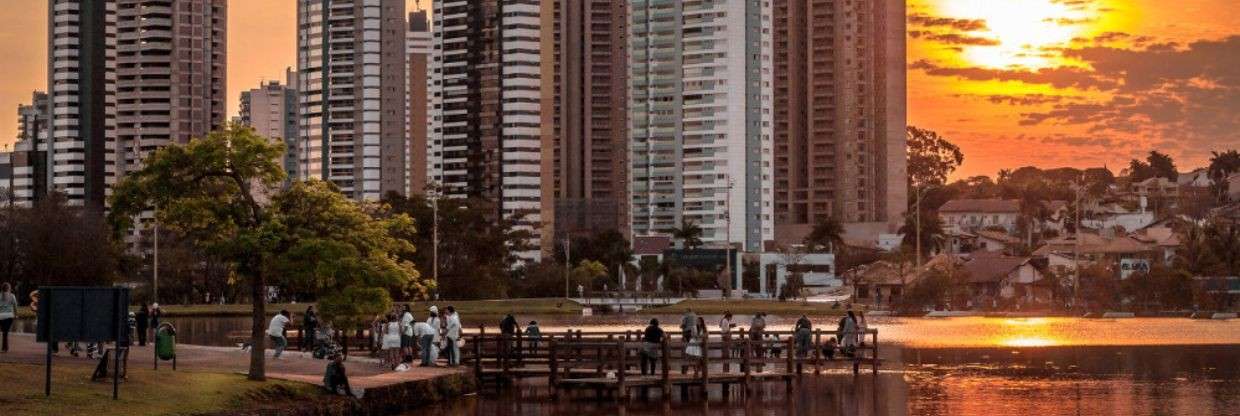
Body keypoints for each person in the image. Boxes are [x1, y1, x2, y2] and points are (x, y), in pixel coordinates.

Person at [0, 283, 16, 353]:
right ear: (9, 288)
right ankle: (5, 348)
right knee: (5, 333)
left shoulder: (0, 296)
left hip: (1, 315)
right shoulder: (12, 296)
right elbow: (15, 306)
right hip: (9, 316)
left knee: (4, 332)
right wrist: (16, 315)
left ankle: (4, 348)